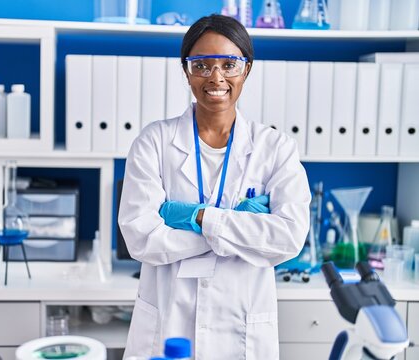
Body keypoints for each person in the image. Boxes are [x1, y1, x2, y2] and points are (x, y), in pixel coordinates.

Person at [118, 14, 310, 359]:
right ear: (186, 71)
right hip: (168, 324)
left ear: (246, 69)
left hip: (241, 330)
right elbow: (141, 237)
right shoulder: (154, 142)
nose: (216, 77)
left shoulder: (275, 149)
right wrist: (243, 227)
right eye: (202, 65)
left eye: (229, 64)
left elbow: (288, 238)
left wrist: (200, 217)